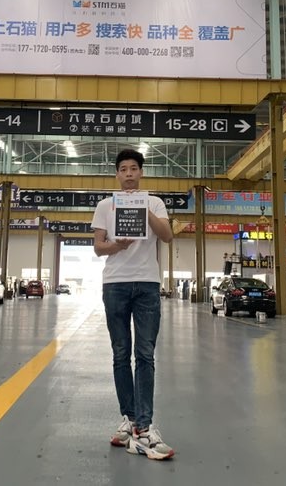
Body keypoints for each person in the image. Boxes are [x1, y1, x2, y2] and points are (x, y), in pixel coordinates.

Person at [91, 148, 175, 461]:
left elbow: (167, 236)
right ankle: (128, 418)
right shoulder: (105, 206)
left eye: (133, 169)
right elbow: (98, 247)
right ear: (117, 174)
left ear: (141, 173)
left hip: (148, 284)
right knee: (120, 354)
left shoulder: (155, 203)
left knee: (145, 354)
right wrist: (118, 245)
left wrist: (142, 208)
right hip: (115, 284)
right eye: (123, 169)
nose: (128, 174)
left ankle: (144, 426)